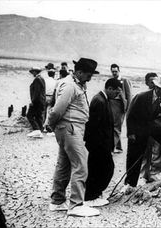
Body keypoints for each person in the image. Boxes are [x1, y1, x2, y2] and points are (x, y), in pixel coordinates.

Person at [47, 58, 100, 217]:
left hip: (69, 128)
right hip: (70, 127)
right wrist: (51, 124)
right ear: (79, 72)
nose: (90, 78)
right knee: (81, 164)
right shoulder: (70, 85)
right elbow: (57, 110)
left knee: (64, 164)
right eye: (89, 74)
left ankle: (57, 201)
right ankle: (76, 205)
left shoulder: (76, 83)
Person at [122, 76, 161, 190]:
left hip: (151, 127)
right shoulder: (141, 96)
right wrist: (131, 133)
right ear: (158, 88)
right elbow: (130, 115)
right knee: (134, 155)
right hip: (138, 128)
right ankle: (130, 183)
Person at [84, 78, 122, 207]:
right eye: (116, 92)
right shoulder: (99, 100)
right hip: (98, 144)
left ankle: (95, 194)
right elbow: (94, 126)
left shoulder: (103, 99)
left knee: (99, 170)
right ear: (109, 88)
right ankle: (91, 197)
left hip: (100, 144)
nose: (117, 95)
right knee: (102, 170)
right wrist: (100, 146)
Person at [140, 73, 161, 184]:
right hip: (145, 127)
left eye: (155, 82)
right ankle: (142, 175)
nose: (153, 84)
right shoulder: (142, 96)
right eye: (151, 82)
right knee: (145, 151)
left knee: (158, 150)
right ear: (147, 83)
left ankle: (154, 173)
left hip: (157, 127)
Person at [109, 64, 132, 154]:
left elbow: (129, 95)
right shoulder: (111, 81)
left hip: (121, 106)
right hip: (111, 105)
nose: (114, 73)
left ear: (119, 71)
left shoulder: (124, 81)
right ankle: (118, 147)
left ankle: (112, 148)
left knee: (117, 127)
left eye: (116, 71)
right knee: (112, 126)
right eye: (113, 71)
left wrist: (128, 108)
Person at [26, 67, 46, 138]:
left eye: (32, 72)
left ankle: (36, 129)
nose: (32, 74)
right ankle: (40, 131)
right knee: (38, 116)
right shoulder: (41, 78)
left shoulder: (37, 79)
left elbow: (37, 92)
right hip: (41, 101)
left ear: (35, 72)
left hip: (37, 101)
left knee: (29, 115)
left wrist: (33, 101)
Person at [43, 65, 57, 133]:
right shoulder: (55, 81)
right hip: (51, 97)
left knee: (43, 112)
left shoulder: (45, 80)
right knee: (48, 112)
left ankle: (42, 126)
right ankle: (46, 126)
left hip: (44, 96)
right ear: (54, 75)